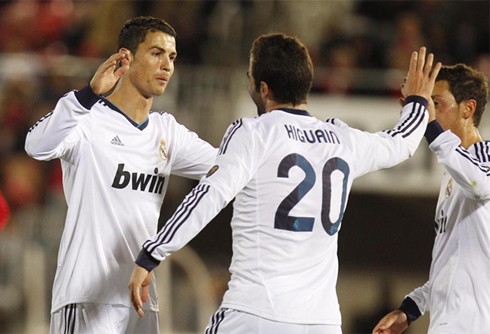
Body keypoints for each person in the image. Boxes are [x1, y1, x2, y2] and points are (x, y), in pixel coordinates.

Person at [129, 33, 440, 334]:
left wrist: (153, 252)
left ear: (262, 88)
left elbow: (209, 195)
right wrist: (417, 100)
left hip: (256, 313)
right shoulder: (343, 140)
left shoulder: (254, 133)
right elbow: (401, 143)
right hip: (323, 322)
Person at [25, 16, 217, 334]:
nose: (167, 65)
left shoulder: (167, 131)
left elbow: (227, 169)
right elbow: (36, 145)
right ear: (125, 58)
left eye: (171, 57)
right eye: (156, 53)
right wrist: (88, 94)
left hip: (140, 300)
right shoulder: (88, 119)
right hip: (86, 297)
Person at [373, 64, 490, 334]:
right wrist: (410, 309)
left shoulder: (483, 160)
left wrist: (428, 124)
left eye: (436, 103)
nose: (430, 112)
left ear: (467, 109)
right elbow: (450, 264)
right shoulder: (451, 177)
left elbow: (479, 185)